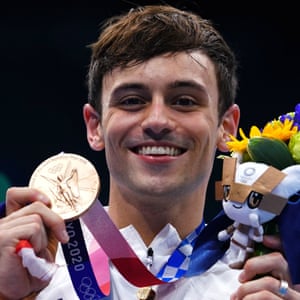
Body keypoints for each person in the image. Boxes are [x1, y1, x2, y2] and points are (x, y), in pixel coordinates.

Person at [0, 4, 299, 299]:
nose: (157, 121)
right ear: (95, 126)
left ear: (227, 127)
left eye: (184, 101)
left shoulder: (260, 279)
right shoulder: (29, 265)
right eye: (132, 100)